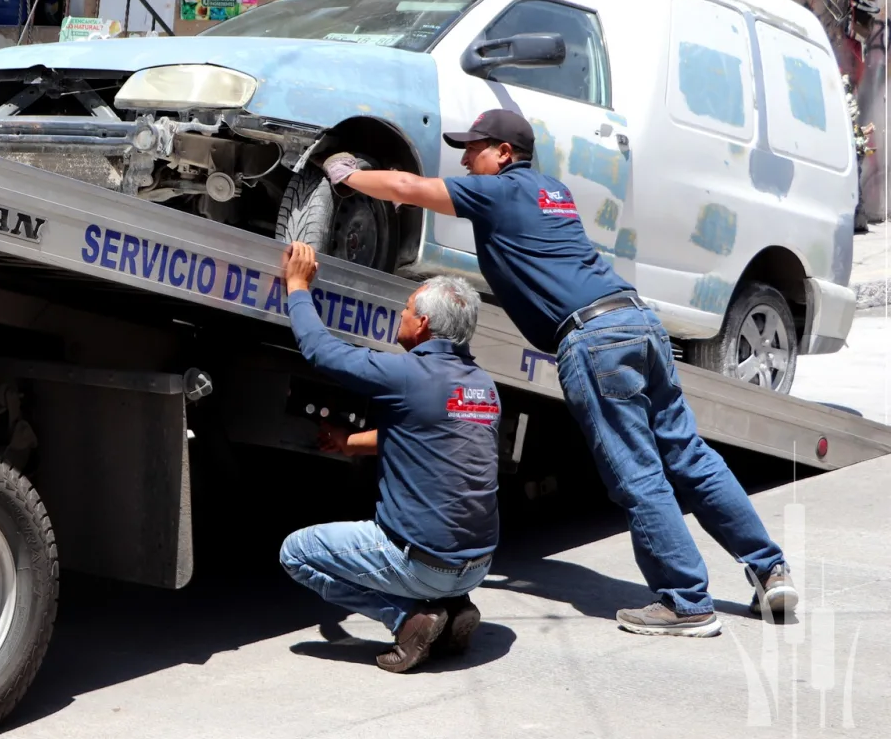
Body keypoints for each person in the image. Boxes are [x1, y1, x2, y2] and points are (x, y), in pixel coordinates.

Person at [322, 108, 798, 637]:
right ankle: (769, 569)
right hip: (637, 321)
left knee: (637, 471)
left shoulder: (499, 191)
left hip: (595, 339)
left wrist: (346, 173)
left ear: (504, 153)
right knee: (689, 455)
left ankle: (686, 602)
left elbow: (408, 187)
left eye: (473, 147)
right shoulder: (552, 191)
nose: (463, 157)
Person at [278, 247, 499, 673]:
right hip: (479, 564)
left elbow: (320, 350)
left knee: (296, 553)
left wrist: (298, 285)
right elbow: (429, 435)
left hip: (425, 563)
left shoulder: (408, 374)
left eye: (406, 308)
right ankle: (451, 609)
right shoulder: (482, 387)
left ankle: (408, 620)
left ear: (423, 324)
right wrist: (351, 442)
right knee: (433, 561)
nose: (400, 313)